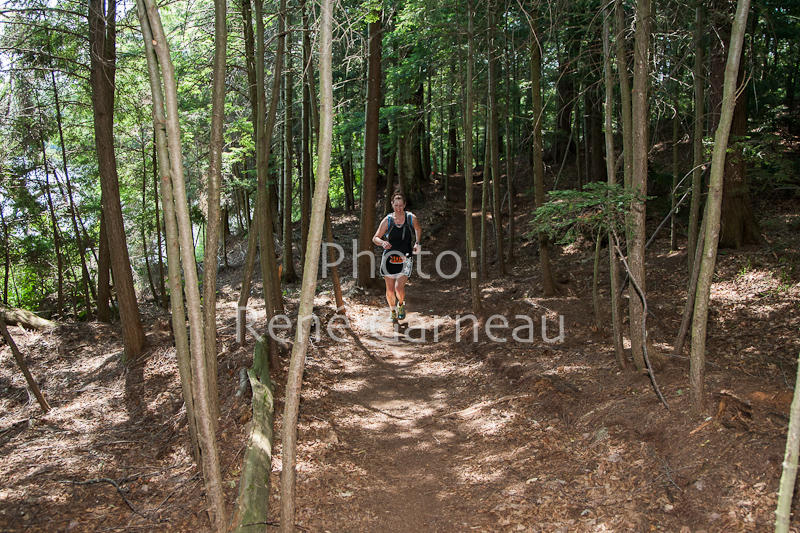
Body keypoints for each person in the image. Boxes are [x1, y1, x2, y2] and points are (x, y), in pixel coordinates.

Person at [372, 192, 421, 321]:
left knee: (398, 287)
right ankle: (392, 311)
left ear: (404, 205)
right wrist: (382, 242)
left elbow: (418, 230)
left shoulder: (411, 218)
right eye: (396, 205)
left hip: (405, 257)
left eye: (401, 205)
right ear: (392, 204)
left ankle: (401, 304)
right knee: (389, 289)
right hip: (389, 258)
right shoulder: (387, 220)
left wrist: (417, 242)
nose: (398, 208)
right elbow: (375, 238)